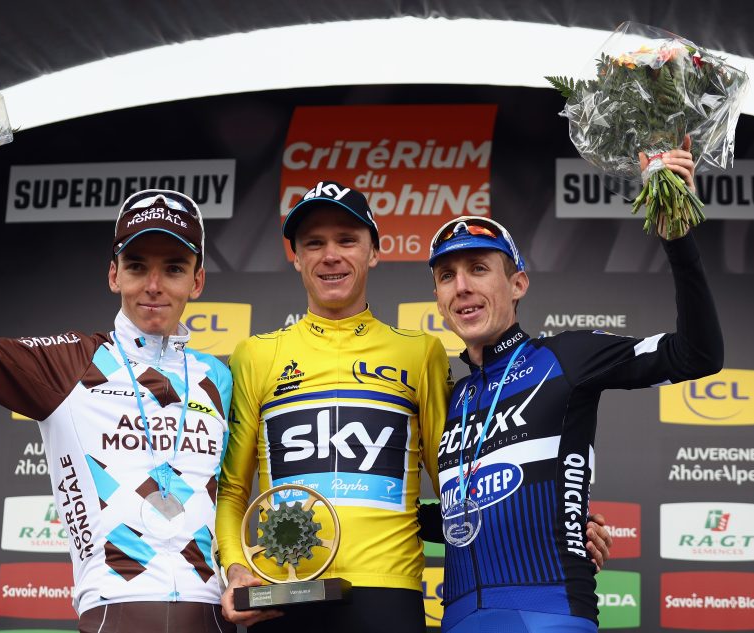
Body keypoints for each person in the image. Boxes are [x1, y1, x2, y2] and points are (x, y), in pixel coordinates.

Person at [0, 157, 236, 633]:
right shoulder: (66, 364)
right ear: (114, 275)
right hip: (114, 612)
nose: (153, 286)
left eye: (173, 269)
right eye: (137, 266)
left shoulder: (220, 376)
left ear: (196, 281)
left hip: (212, 617)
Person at [215, 182, 613, 632]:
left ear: (374, 252)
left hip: (390, 592)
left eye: (347, 240)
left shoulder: (420, 352)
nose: (330, 255)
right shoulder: (254, 354)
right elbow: (231, 491)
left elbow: (460, 485)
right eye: (314, 243)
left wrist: (556, 523)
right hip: (280, 592)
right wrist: (235, 568)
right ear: (296, 256)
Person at [421, 145, 723, 632]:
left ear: (518, 284)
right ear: (438, 298)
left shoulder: (565, 358)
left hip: (551, 614)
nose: (461, 287)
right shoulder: (452, 397)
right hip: (457, 618)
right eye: (447, 276)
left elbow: (698, 355)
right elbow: (466, 519)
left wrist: (680, 243)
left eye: (479, 269)